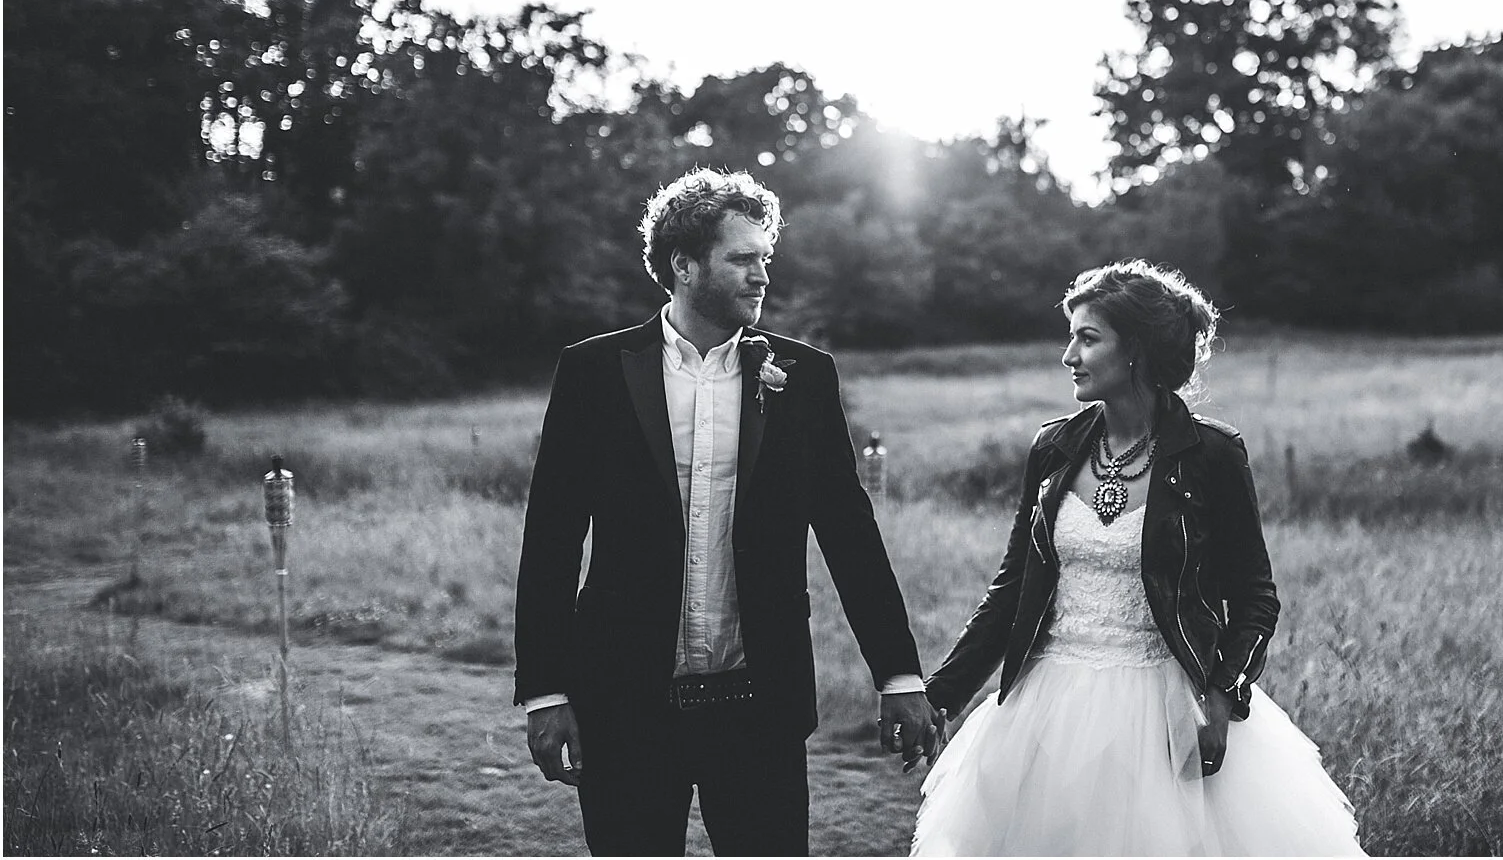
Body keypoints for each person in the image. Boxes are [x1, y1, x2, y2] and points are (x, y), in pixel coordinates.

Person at [515, 168, 940, 856]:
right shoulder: (594, 372)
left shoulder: (804, 377)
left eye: (765, 259)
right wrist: (544, 690)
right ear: (683, 264)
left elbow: (849, 531)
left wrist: (898, 674)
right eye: (743, 258)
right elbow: (552, 538)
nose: (762, 275)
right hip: (624, 703)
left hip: (759, 707)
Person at [913, 260, 1364, 856]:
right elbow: (1014, 586)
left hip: (1168, 707)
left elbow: (1255, 596)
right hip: (1047, 710)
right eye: (1070, 336)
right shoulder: (1053, 447)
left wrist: (1223, 697)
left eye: (1088, 337)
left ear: (1138, 351)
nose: (1068, 355)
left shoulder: (1212, 454)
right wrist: (939, 695)